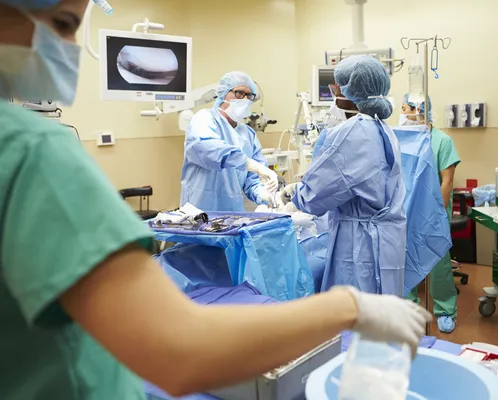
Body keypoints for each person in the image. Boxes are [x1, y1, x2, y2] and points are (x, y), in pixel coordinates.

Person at [0, 1, 432, 398]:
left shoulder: (250, 131)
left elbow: (256, 176)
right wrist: (347, 307)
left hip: (239, 217)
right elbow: (176, 344)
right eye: (61, 22)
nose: (71, 45)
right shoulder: (37, 150)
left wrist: (265, 190)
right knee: (194, 279)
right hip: (200, 213)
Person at [281, 55, 407, 297]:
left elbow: (316, 196)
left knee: (356, 321)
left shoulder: (352, 132)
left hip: (361, 245)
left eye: (336, 87)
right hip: (387, 239)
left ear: (348, 91)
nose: (333, 91)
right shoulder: (383, 128)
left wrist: (294, 193)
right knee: (383, 317)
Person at [399, 94, 460, 333]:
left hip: (432, 213)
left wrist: (435, 215)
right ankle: (410, 309)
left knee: (438, 264)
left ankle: (445, 310)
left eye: (405, 109)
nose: (402, 115)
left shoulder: (442, 141)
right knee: (406, 261)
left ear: (418, 110)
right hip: (406, 210)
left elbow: (447, 181)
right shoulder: (403, 140)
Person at [180, 71, 278, 211]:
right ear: (223, 93)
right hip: (199, 213)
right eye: (239, 93)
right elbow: (210, 149)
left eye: (249, 95)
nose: (244, 99)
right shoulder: (203, 119)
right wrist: (249, 163)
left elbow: (253, 180)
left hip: (233, 215)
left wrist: (264, 194)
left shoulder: (248, 134)